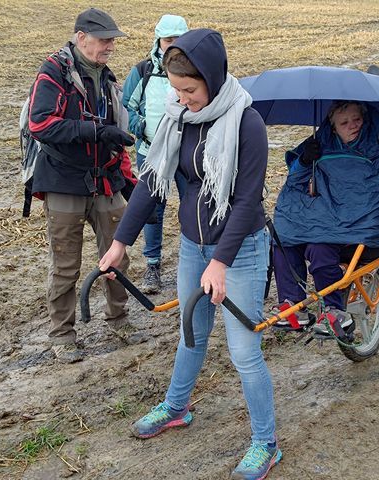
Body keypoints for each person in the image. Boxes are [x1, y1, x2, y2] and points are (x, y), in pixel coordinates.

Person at [99, 29, 281, 480]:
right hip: (194, 246)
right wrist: (120, 243)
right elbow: (151, 184)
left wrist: (221, 261)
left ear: (214, 79)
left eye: (190, 90)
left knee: (243, 351)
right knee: (190, 334)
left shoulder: (246, 123)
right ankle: (177, 407)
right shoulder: (178, 119)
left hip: (240, 249)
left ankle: (266, 444)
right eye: (176, 90)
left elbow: (246, 200)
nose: (182, 99)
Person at [28, 8, 137, 363]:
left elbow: (115, 133)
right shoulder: (52, 73)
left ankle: (119, 318)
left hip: (103, 181)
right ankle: (63, 337)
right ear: (81, 37)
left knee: (117, 255)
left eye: (112, 40)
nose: (110, 46)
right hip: (62, 182)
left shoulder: (107, 79)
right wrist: (94, 131)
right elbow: (40, 125)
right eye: (104, 39)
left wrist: (126, 177)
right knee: (65, 266)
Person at [272, 101, 379, 336]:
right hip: (328, 218)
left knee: (319, 247)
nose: (352, 126)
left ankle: (334, 309)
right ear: (332, 127)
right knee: (283, 240)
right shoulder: (322, 142)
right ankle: (292, 304)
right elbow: (295, 185)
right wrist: (304, 161)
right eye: (344, 123)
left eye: (357, 119)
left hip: (361, 223)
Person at [122, 14, 189, 293]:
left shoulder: (195, 71)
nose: (173, 45)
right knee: (153, 210)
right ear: (158, 41)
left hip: (188, 153)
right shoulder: (142, 71)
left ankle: (193, 261)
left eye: (178, 40)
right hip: (151, 152)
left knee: (193, 206)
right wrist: (140, 127)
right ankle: (152, 267)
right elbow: (126, 105)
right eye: (168, 40)